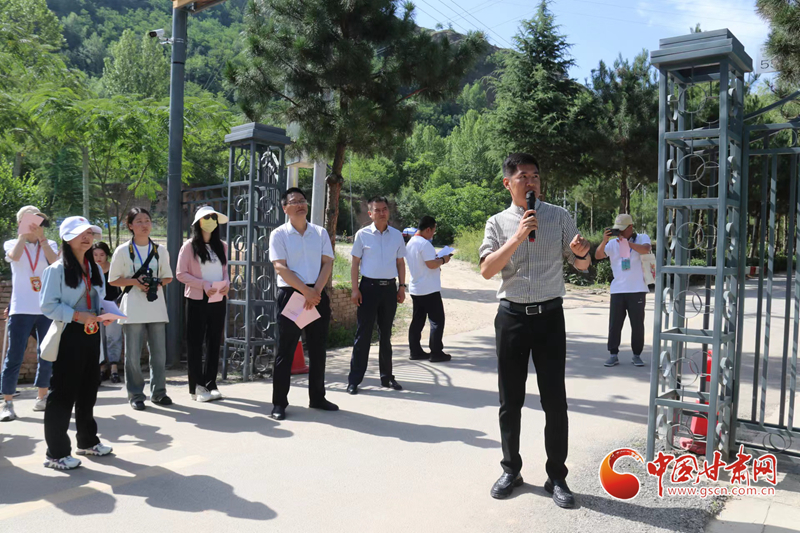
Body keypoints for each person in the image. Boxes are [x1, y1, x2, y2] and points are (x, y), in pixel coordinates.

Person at [479, 153, 591, 507]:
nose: (531, 182)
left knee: (555, 401)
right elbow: (486, 269)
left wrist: (582, 253)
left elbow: (581, 263)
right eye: (523, 176)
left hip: (549, 317)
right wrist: (517, 236)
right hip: (511, 317)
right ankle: (511, 469)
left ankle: (557, 476)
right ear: (507, 183)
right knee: (509, 401)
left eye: (535, 176)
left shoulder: (558, 216)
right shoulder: (497, 223)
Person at [39, 216, 114, 469]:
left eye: (90, 233)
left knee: (88, 390)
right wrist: (77, 316)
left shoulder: (94, 268)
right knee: (63, 392)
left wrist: (105, 314)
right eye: (81, 233)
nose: (87, 237)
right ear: (66, 238)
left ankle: (88, 441)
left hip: (92, 333)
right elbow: (47, 305)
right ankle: (56, 453)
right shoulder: (56, 270)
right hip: (69, 333)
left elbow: (99, 299)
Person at [267, 188, 338, 420]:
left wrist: (315, 291)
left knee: (318, 350)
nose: (300, 205)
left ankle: (317, 397)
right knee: (285, 351)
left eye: (302, 200)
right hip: (292, 294)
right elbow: (280, 267)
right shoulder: (279, 234)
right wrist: (305, 291)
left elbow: (327, 262)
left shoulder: (319, 232)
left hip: (317, 294)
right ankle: (279, 403)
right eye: (294, 201)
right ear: (284, 208)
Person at [108, 208, 173, 411]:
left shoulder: (160, 250)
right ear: (130, 226)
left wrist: (156, 283)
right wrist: (135, 282)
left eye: (147, 220)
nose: (144, 225)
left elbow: (168, 277)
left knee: (159, 355)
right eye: (139, 221)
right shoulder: (122, 251)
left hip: (156, 306)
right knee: (133, 356)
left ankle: (159, 393)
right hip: (133, 308)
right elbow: (113, 280)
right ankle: (136, 395)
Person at [1, 206, 59, 422]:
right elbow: (14, 257)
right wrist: (23, 236)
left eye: (38, 220)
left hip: (46, 308)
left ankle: (42, 397)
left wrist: (42, 239)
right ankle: (7, 402)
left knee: (47, 354)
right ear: (20, 222)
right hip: (21, 309)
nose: (35, 224)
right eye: (30, 220)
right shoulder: (12, 243)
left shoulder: (49, 243)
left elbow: (55, 262)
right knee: (14, 355)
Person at [346, 196, 406, 395]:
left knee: (386, 335)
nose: (382, 213)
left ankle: (387, 377)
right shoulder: (362, 235)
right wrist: (355, 289)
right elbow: (355, 264)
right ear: (370, 214)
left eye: (384, 209)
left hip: (389, 289)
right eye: (377, 210)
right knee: (363, 335)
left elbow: (400, 263)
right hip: (368, 288)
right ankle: (354, 380)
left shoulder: (396, 236)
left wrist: (402, 287)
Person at [176, 205, 230, 402]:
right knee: (195, 343)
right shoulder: (189, 246)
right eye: (206, 217)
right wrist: (203, 284)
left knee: (214, 341)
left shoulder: (222, 246)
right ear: (198, 222)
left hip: (218, 298)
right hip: (197, 299)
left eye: (213, 217)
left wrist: (227, 284)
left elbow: (225, 271)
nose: (210, 221)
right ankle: (197, 387)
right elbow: (180, 274)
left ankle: (211, 383)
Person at [594, 214, 651, 368]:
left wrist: (628, 244)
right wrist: (604, 241)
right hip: (618, 290)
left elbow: (646, 249)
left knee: (637, 325)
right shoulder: (613, 244)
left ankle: (637, 355)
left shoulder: (642, 238)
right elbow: (598, 255)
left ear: (630, 227)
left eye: (622, 229)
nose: (619, 232)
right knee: (615, 324)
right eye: (617, 229)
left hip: (637, 289)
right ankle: (613, 354)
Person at [406, 216, 451, 362]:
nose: (433, 234)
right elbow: (431, 264)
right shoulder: (424, 244)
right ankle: (436, 352)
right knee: (437, 321)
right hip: (429, 289)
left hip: (416, 288)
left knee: (417, 321)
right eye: (433, 231)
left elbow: (425, 262)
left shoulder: (411, 242)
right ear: (427, 229)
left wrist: (436, 260)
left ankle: (415, 351)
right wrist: (443, 259)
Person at [92, 242, 123, 383]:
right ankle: (102, 367)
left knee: (113, 337)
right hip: (95, 309)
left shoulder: (114, 269)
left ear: (107, 255)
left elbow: (122, 289)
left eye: (102, 255)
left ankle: (114, 368)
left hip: (113, 307)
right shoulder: (91, 271)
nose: (98, 258)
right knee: (99, 339)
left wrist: (118, 305)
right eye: (95, 255)